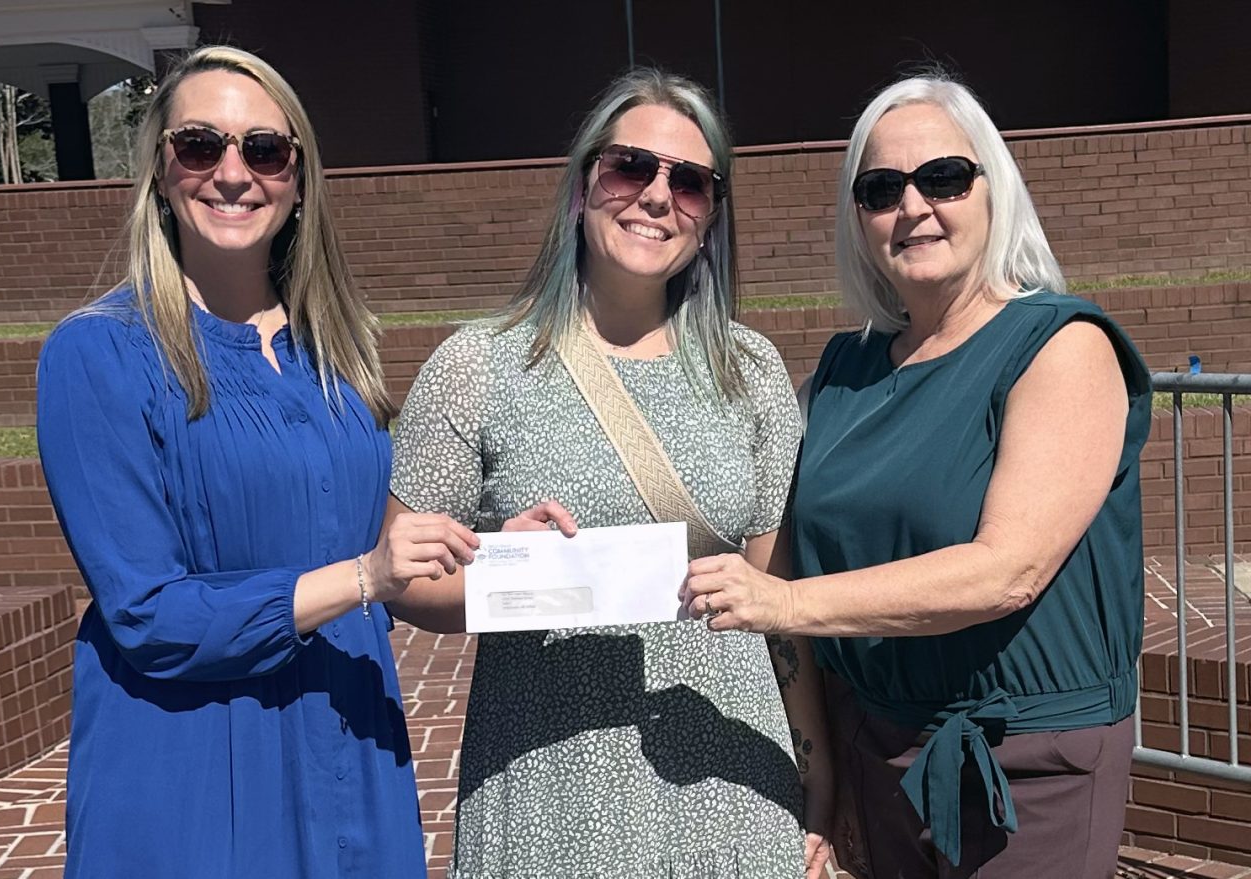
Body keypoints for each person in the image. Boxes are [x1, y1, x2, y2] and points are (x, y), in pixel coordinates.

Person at [682, 73, 1152, 879]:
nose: (913, 206)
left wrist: (786, 603)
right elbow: (756, 521)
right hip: (879, 754)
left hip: (1028, 767)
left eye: (943, 177)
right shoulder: (845, 370)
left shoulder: (1061, 345)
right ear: (858, 218)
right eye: (881, 189)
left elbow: (1008, 570)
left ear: (994, 190)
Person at [37, 46, 478, 878]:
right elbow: (147, 613)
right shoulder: (97, 354)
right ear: (160, 169)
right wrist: (363, 577)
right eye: (200, 145)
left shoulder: (335, 353)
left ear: (300, 179)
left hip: (348, 747)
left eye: (265, 149)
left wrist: (501, 551)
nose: (234, 173)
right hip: (197, 772)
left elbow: (372, 546)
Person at [388, 69, 808, 877]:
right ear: (582, 187)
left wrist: (815, 779)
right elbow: (404, 581)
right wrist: (500, 567)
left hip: (726, 779)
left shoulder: (750, 372)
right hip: (549, 784)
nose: (656, 196)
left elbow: (778, 608)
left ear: (711, 216)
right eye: (629, 167)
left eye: (690, 182)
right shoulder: (477, 366)